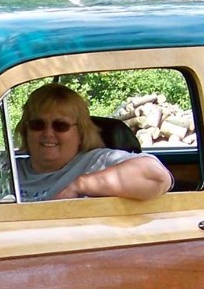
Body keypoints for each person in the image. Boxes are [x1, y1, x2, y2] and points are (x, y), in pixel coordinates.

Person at [12, 83, 172, 201]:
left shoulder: (96, 163)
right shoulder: (7, 171)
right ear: (26, 129)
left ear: (81, 131)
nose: (48, 133)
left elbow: (157, 177)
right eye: (37, 124)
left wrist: (80, 185)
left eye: (60, 126)